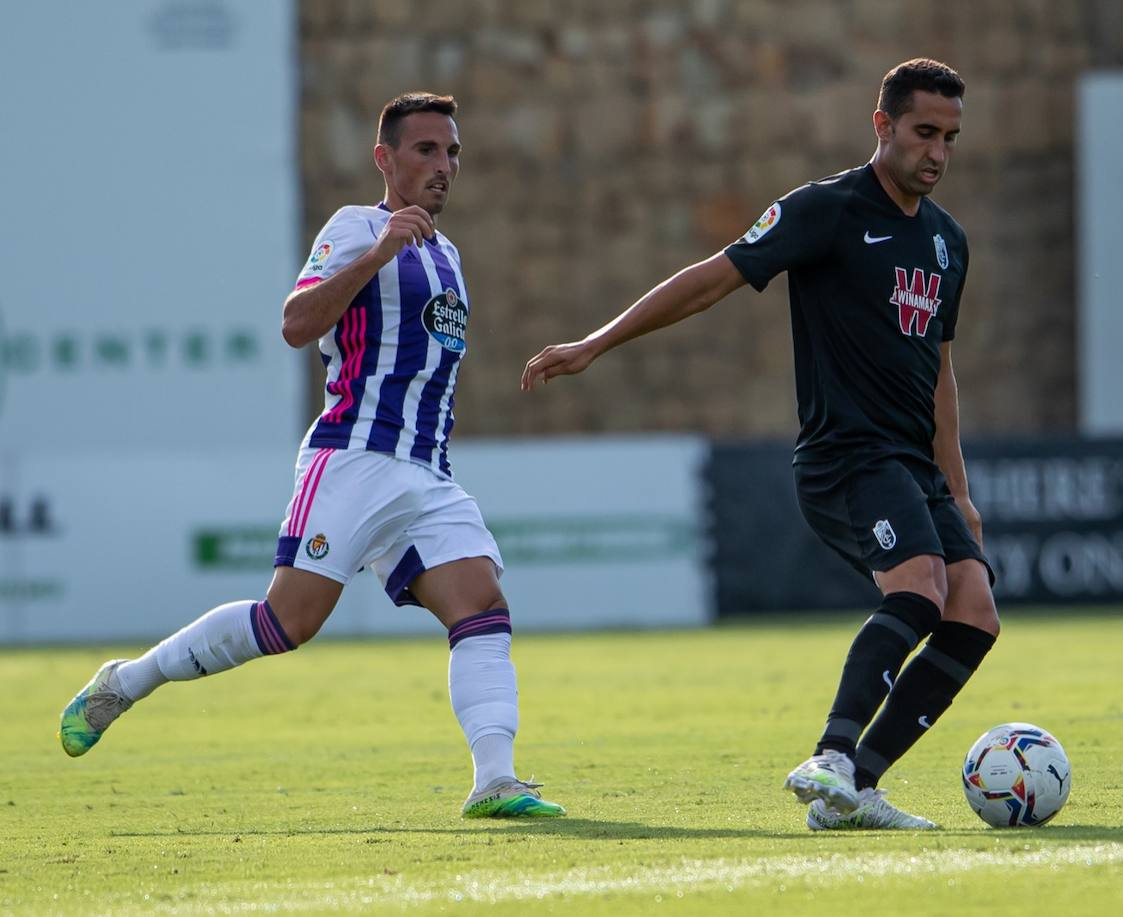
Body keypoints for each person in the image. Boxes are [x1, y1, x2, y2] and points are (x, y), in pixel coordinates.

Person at [521, 59, 998, 830]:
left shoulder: (947, 242)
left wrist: (962, 490)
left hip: (915, 467)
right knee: (918, 588)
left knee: (974, 612)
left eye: (950, 137)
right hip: (846, 455)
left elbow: (940, 371)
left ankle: (855, 788)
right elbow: (712, 277)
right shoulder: (827, 210)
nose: (937, 152)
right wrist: (596, 342)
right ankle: (832, 755)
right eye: (923, 133)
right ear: (882, 127)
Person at [59, 93, 565, 820]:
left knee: (482, 605)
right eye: (426, 150)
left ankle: (495, 780)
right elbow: (297, 324)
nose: (443, 166)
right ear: (383, 158)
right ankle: (129, 680)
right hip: (354, 456)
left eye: (452, 153)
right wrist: (379, 251)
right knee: (284, 624)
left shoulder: (449, 255)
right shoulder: (356, 227)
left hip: (426, 473)